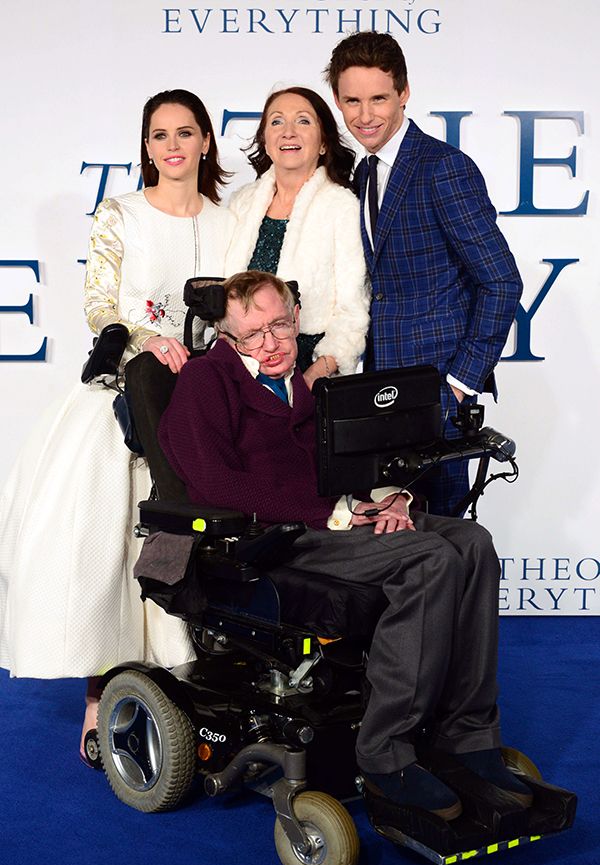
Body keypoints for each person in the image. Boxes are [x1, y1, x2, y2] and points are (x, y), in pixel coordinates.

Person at [159, 270, 532, 820]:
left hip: (334, 519)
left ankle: (468, 735)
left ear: (297, 322)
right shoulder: (205, 383)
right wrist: (334, 512)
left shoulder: (303, 387)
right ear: (226, 336)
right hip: (276, 539)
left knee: (472, 542)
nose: (271, 344)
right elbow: (215, 484)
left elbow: (347, 465)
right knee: (430, 560)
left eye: (281, 326)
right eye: (254, 334)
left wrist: (392, 496)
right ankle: (384, 754)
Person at [0, 89, 235, 756]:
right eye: (158, 135)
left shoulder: (229, 221)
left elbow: (245, 306)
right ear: (146, 146)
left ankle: (193, 674)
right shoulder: (120, 214)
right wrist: (146, 339)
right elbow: (99, 301)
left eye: (185, 133)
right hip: (130, 385)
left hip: (208, 398)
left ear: (205, 142)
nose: (172, 146)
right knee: (105, 540)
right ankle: (101, 695)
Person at [324, 32, 523, 516]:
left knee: (442, 546)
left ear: (404, 93)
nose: (364, 115)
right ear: (337, 100)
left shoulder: (442, 168)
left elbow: (501, 281)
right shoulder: (358, 173)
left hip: (437, 399)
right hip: (376, 395)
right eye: (352, 100)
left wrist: (459, 383)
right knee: (385, 553)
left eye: (378, 98)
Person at [225, 87, 370, 389]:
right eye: (277, 122)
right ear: (265, 141)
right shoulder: (241, 204)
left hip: (309, 368)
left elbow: (353, 310)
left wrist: (314, 377)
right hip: (242, 366)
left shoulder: (342, 206)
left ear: (323, 143)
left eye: (303, 121)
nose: (288, 132)